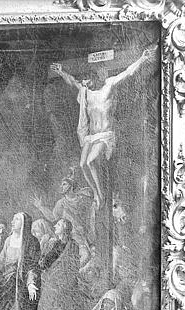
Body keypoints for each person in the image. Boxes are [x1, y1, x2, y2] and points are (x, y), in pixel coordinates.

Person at [50, 47, 156, 208]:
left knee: (91, 161)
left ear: (94, 77)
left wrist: (142, 59)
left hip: (105, 134)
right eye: (84, 82)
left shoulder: (108, 85)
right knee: (83, 164)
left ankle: (101, 194)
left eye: (88, 81)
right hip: (91, 136)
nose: (85, 85)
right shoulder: (86, 90)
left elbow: (127, 73)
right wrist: (61, 72)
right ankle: (96, 192)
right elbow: (72, 81)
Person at [37, 219, 82, 310]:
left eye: (58, 224)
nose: (55, 226)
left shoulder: (73, 246)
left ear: (66, 228)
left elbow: (74, 266)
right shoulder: (54, 244)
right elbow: (44, 263)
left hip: (66, 287)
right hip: (52, 285)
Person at [32, 172, 94, 266]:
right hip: (69, 235)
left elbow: (90, 215)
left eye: (64, 184)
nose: (61, 186)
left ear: (71, 186)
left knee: (86, 255)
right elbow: (53, 217)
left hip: (82, 235)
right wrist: (41, 207)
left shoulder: (82, 200)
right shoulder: (61, 203)